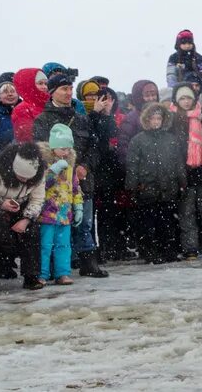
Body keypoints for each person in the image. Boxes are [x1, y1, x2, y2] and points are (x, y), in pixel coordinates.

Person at [125, 103, 185, 264]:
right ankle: (150, 251)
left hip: (168, 187)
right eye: (153, 118)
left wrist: (182, 182)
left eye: (159, 118)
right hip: (147, 188)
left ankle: (168, 251)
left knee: (167, 222)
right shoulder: (138, 140)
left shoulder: (171, 140)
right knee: (148, 223)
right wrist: (133, 187)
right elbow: (132, 164)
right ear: (147, 120)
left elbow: (178, 162)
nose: (156, 121)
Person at [171, 85, 202, 261]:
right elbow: (173, 147)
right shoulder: (172, 119)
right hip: (184, 174)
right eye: (182, 98)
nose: (186, 102)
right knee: (187, 214)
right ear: (177, 100)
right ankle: (190, 247)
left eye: (188, 98)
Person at [75, 80, 115, 277]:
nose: (92, 98)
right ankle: (81, 257)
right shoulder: (79, 113)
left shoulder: (100, 113)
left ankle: (92, 257)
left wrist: (106, 114)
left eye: (95, 94)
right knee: (80, 216)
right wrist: (93, 113)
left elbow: (107, 135)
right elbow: (85, 136)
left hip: (99, 167)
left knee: (91, 217)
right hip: (82, 169)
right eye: (88, 95)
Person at [0, 143, 46, 290]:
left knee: (32, 232)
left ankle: (31, 276)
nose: (24, 180)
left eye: (27, 178)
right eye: (20, 176)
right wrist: (1, 204)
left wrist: (26, 219)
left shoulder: (40, 175)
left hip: (21, 208)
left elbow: (37, 200)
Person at [37, 124, 82, 285]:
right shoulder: (43, 165)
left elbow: (75, 188)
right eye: (63, 148)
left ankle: (62, 273)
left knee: (63, 245)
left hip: (64, 213)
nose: (66, 152)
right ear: (54, 147)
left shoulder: (70, 167)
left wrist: (78, 206)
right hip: (46, 214)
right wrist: (53, 171)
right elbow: (39, 185)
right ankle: (41, 274)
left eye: (68, 149)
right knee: (45, 245)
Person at [10, 68, 48, 142]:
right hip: (39, 151)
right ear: (29, 85)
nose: (44, 87)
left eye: (46, 83)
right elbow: (26, 139)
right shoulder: (22, 109)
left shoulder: (49, 104)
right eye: (40, 83)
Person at [0, 77, 18, 153]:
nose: (10, 94)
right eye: (5, 92)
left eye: (12, 91)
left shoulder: (25, 111)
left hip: (23, 155)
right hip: (0, 157)